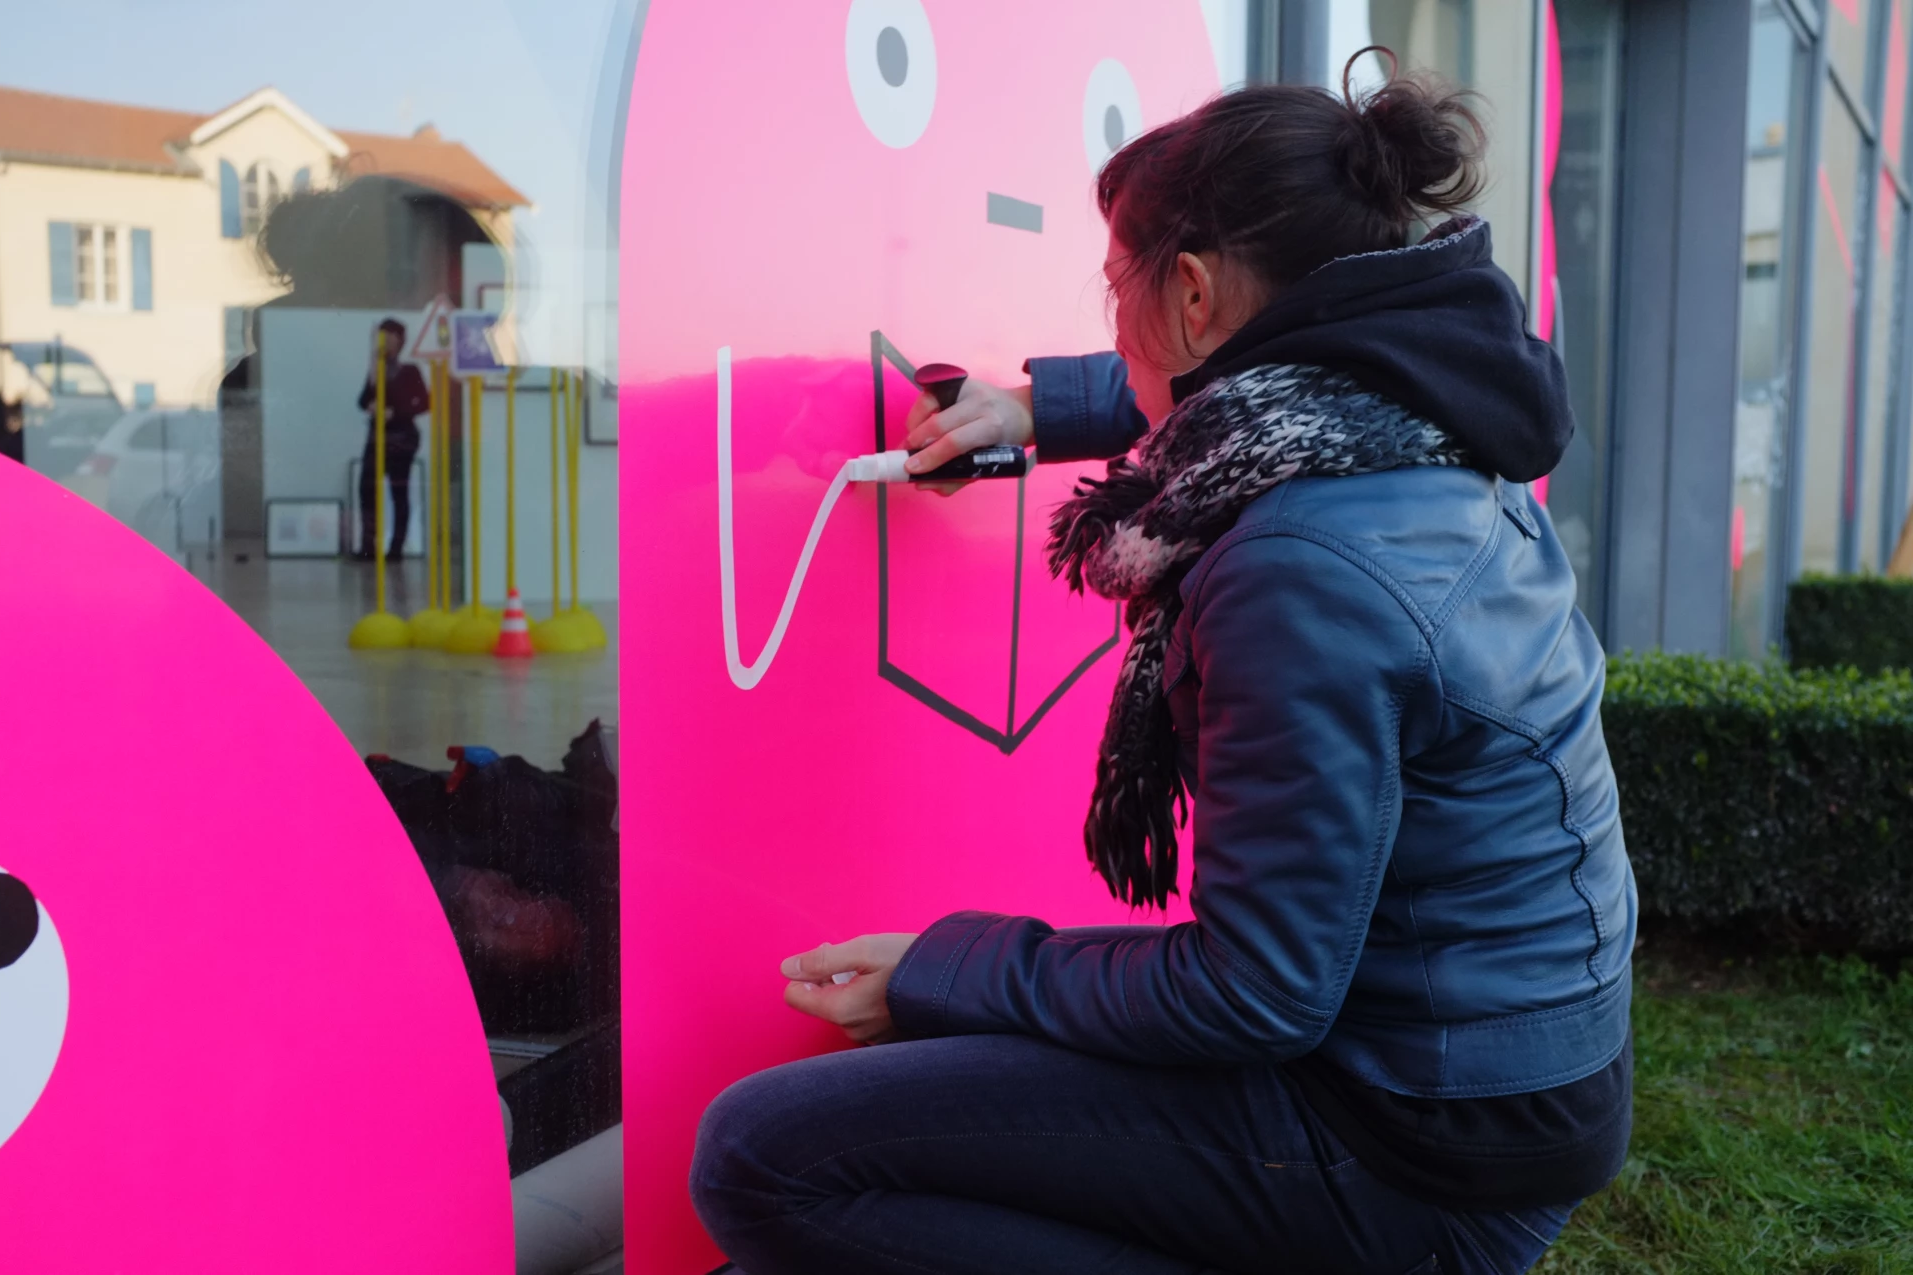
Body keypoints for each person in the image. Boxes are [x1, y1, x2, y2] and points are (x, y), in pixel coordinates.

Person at [690, 55, 1636, 1275]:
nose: (1113, 323)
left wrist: (949, 970)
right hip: (1507, 1084)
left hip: (1414, 1154)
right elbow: (1225, 399)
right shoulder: (1414, 407)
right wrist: (1035, 407)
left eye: (1113, 289)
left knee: (762, 1154)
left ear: (1191, 295)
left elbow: (1255, 993)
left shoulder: (1302, 568)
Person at [354, 317, 429, 561]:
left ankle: (396, 548)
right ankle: (369, 546)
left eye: (390, 338)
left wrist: (395, 412)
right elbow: (363, 400)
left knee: (398, 492)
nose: (385, 343)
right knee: (367, 489)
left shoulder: (409, 371)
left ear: (400, 341)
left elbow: (425, 402)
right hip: (376, 438)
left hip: (401, 438)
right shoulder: (377, 368)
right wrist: (374, 381)